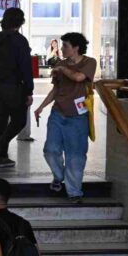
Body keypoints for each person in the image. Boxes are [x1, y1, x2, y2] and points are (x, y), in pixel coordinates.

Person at [33, 32, 96, 203]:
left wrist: (61, 69)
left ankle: (74, 191)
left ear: (76, 47)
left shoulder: (89, 62)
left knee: (75, 156)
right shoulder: (61, 64)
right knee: (50, 150)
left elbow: (78, 77)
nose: (62, 49)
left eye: (65, 45)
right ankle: (59, 175)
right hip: (58, 114)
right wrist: (41, 107)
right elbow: (56, 90)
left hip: (78, 118)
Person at [0, 7, 34, 170]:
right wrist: (29, 91)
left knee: (2, 119)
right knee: (19, 120)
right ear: (20, 22)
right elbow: (26, 67)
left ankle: (2, 157)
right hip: (15, 86)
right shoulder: (19, 41)